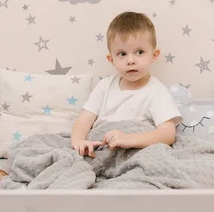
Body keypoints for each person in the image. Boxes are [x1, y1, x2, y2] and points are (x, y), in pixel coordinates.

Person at [71, 11, 182, 157]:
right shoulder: (105, 86)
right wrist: (79, 141)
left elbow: (167, 134)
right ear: (111, 59)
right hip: (101, 148)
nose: (130, 60)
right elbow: (84, 120)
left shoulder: (157, 92)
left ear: (153, 55)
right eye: (122, 54)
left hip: (135, 150)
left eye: (139, 52)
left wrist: (129, 139)